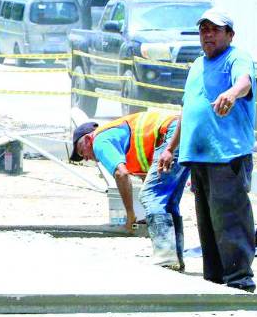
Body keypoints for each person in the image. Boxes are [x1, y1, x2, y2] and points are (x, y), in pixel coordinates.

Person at [158, 8, 257, 291]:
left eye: (215, 29)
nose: (208, 35)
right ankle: (214, 281)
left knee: (230, 219)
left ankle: (239, 281)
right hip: (198, 155)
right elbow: (187, 110)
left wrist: (231, 93)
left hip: (227, 154)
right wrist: (170, 148)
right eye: (204, 30)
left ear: (229, 34)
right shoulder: (197, 66)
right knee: (209, 223)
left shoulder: (237, 57)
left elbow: (244, 81)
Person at [72, 109, 190, 271]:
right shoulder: (118, 137)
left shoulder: (99, 141)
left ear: (87, 139)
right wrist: (148, 217)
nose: (85, 157)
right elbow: (146, 177)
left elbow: (121, 174)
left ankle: (166, 259)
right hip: (181, 131)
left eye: (81, 151)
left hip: (170, 134)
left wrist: (130, 215)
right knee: (168, 202)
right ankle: (174, 258)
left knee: (150, 195)